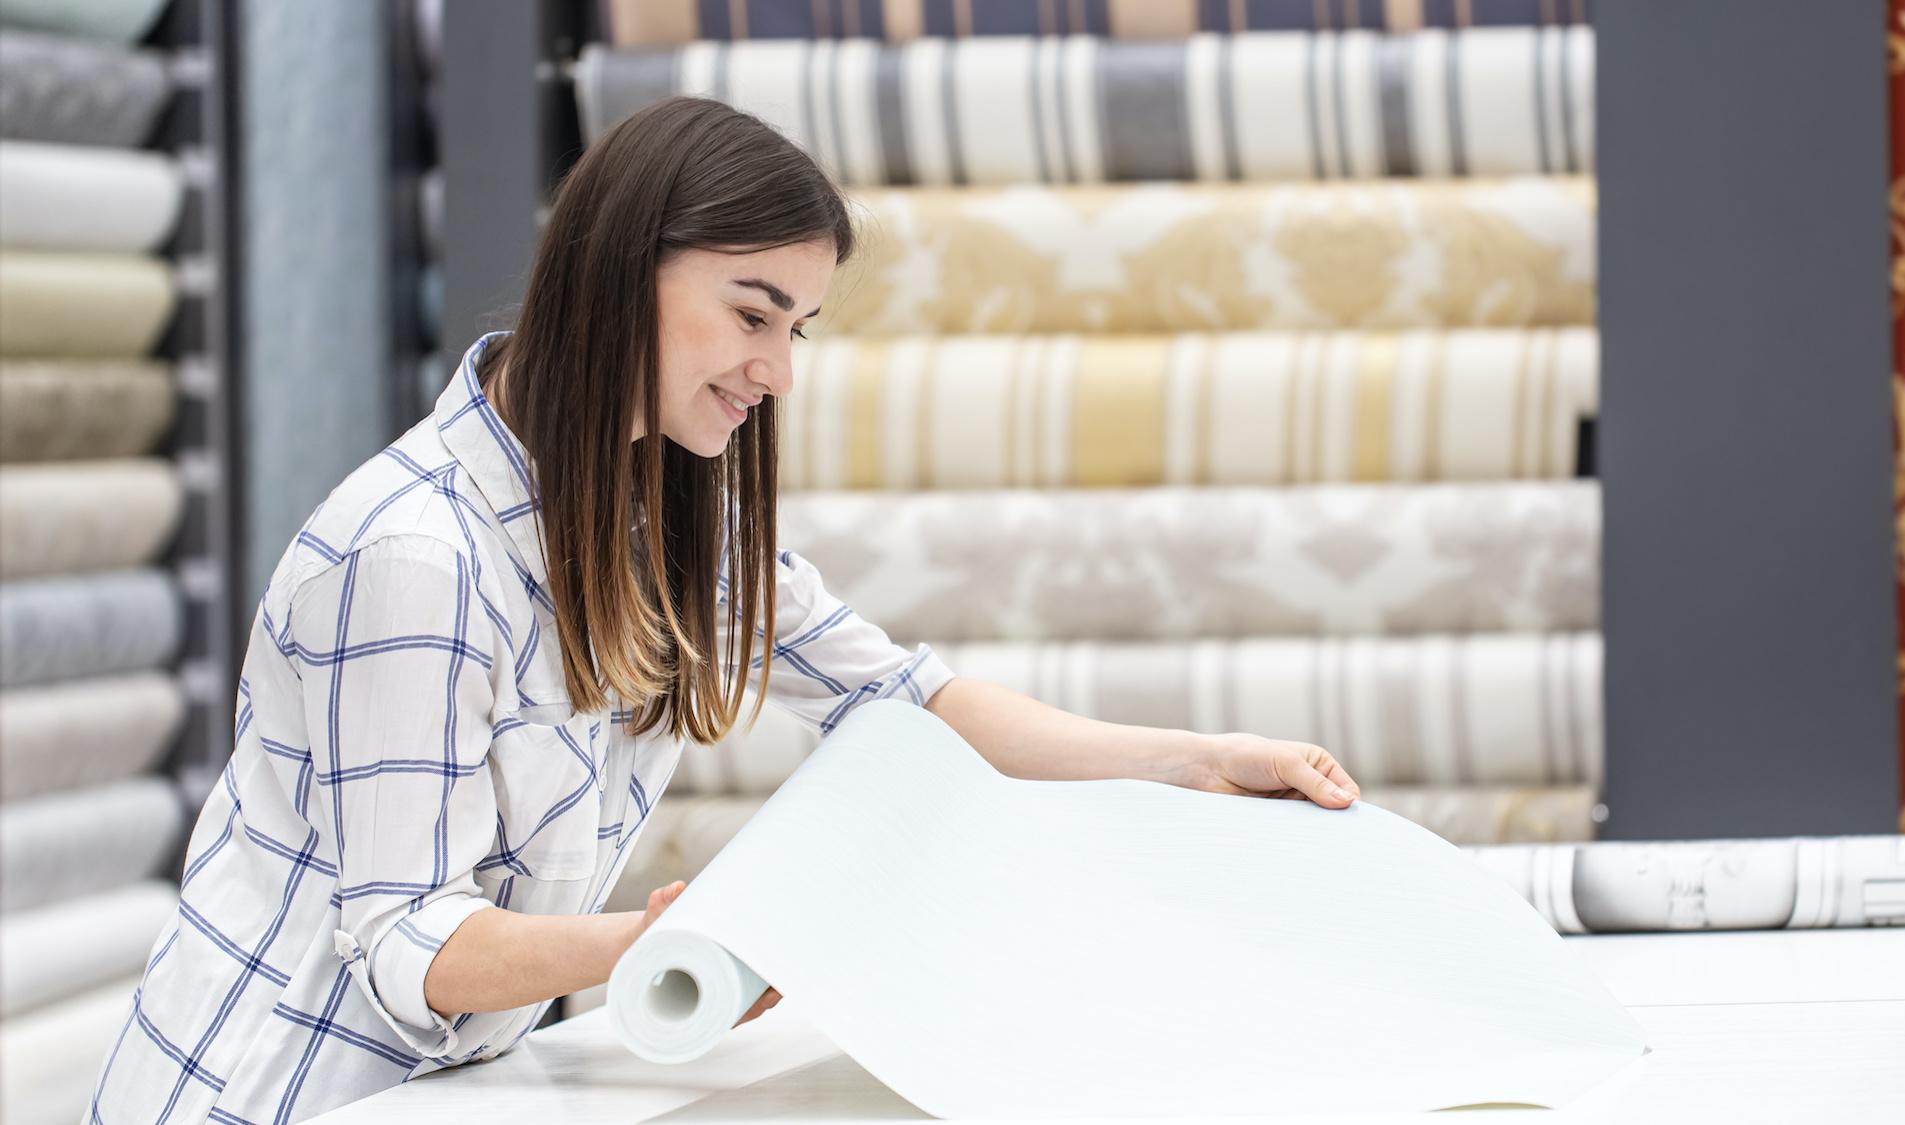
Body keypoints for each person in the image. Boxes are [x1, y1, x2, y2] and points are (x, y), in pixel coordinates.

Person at [84, 96, 1362, 1123]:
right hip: (271, 1093)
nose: (778, 371)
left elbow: (903, 700)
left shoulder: (660, 523)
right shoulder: (417, 555)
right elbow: (406, 949)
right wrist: (661, 939)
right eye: (753, 314)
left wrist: (1192, 763)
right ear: (612, 272)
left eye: (799, 327)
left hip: (449, 1092)